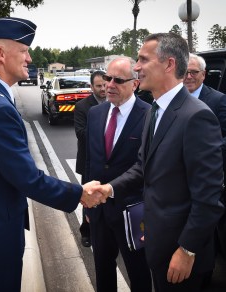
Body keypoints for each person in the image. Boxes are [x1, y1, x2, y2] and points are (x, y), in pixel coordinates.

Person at [0, 17, 105, 292]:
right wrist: (79, 194)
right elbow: (28, 178)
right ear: (0, 54)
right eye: (23, 50)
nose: (29, 58)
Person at [92, 33, 225, 292]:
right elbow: (144, 167)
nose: (137, 66)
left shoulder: (196, 117)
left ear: (169, 64)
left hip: (181, 253)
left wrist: (187, 249)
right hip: (157, 243)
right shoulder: (155, 109)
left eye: (143, 59)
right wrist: (110, 189)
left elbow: (209, 197)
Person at [85, 57, 152, 292]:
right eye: (107, 78)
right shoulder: (95, 113)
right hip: (99, 211)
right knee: (103, 270)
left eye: (118, 80)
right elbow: (91, 162)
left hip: (133, 211)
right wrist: (87, 206)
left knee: (139, 272)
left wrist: (112, 189)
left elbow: (146, 167)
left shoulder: (149, 116)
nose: (110, 85)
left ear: (134, 84)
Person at [184, 53, 226, 194]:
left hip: (208, 174)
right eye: (184, 72)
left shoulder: (218, 100)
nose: (188, 76)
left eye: (194, 72)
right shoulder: (173, 99)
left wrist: (210, 151)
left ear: (203, 75)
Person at [74, 70, 107, 248]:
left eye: (104, 85)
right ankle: (86, 231)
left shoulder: (114, 102)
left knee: (107, 197)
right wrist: (104, 127)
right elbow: (81, 134)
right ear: (91, 87)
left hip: (110, 161)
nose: (103, 89)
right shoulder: (82, 106)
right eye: (99, 86)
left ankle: (105, 230)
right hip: (89, 162)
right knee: (88, 198)